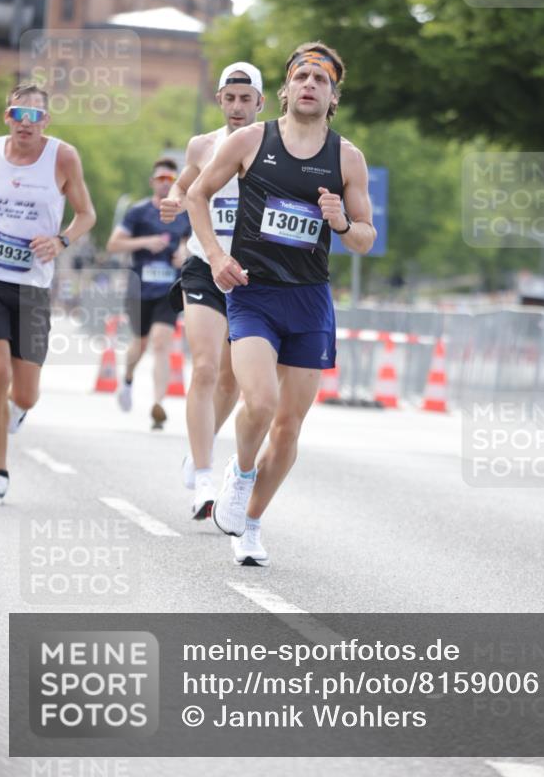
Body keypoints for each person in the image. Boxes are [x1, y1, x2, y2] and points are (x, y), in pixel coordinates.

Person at [187, 42, 375, 565]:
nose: (311, 85)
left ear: (334, 95)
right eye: (302, 77)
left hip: (310, 301)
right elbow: (197, 196)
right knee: (261, 402)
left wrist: (340, 222)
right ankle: (241, 473)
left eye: (322, 80)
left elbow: (365, 237)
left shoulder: (346, 158)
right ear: (287, 89)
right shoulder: (251, 140)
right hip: (254, 293)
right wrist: (215, 253)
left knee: (290, 425)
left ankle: (250, 525)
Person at [159, 62, 265, 520]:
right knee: (203, 367)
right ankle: (204, 476)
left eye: (247, 99)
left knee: (231, 379)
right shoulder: (203, 145)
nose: (238, 107)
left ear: (261, 103)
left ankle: (199, 449)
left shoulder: (273, 147)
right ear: (219, 100)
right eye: (230, 98)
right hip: (204, 265)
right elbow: (186, 184)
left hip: (251, 275)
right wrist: (173, 199)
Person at [0, 83, 96, 504]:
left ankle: (13, 415)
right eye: (19, 114)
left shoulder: (63, 156)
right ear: (7, 117)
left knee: (25, 394)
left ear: (46, 122)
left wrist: (61, 241)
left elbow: (86, 214)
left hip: (33, 285)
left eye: (35, 116)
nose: (26, 123)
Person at [106, 159, 190, 429]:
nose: (166, 183)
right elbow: (113, 244)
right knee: (139, 344)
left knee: (161, 343)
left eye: (171, 179)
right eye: (161, 178)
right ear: (153, 182)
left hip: (169, 290)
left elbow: (192, 244)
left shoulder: (184, 213)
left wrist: (184, 255)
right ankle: (128, 379)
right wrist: (145, 242)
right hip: (139, 288)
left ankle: (158, 404)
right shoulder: (138, 212)